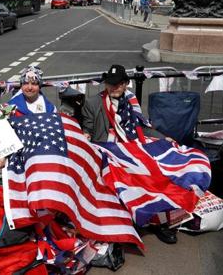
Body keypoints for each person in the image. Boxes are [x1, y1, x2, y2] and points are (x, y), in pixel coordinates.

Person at [81, 64, 211, 244]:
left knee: (159, 169)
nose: (114, 87)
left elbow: (142, 126)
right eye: (110, 84)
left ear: (126, 83)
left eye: (118, 84)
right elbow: (87, 130)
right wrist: (85, 137)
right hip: (108, 149)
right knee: (135, 174)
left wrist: (164, 138)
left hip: (133, 145)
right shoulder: (93, 102)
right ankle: (144, 219)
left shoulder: (131, 100)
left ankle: (161, 220)